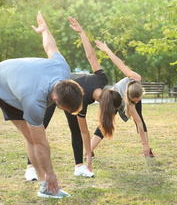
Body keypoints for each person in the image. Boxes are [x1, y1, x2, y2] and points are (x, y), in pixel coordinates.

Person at [0, 12, 84, 205]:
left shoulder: (62, 68)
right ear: (55, 99)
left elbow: (50, 47)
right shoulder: (34, 100)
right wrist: (51, 173)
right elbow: (42, 143)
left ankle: (45, 188)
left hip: (14, 90)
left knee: (31, 136)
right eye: (63, 109)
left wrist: (44, 30)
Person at [25, 16, 122, 179]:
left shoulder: (101, 80)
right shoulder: (81, 102)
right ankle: (30, 168)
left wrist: (82, 33)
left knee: (73, 130)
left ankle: (79, 166)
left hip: (67, 90)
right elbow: (85, 132)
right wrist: (90, 158)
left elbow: (91, 56)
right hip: (53, 88)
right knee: (42, 127)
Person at [87, 40, 154, 158]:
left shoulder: (136, 78)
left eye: (139, 99)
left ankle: (147, 150)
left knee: (141, 120)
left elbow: (119, 63)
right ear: (130, 98)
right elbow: (138, 122)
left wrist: (107, 50)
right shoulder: (129, 102)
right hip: (113, 98)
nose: (137, 102)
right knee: (105, 122)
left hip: (130, 94)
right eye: (135, 101)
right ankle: (89, 151)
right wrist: (107, 50)